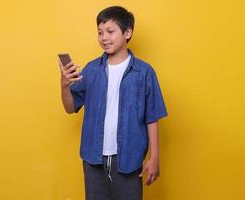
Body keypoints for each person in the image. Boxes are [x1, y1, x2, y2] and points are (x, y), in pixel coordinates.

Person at [59, 5, 168, 200]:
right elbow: (69, 108)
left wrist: (154, 157)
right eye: (100, 32)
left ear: (127, 32)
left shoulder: (144, 72)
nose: (104, 37)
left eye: (110, 31)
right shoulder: (91, 70)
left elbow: (152, 116)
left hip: (129, 157)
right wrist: (64, 85)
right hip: (93, 157)